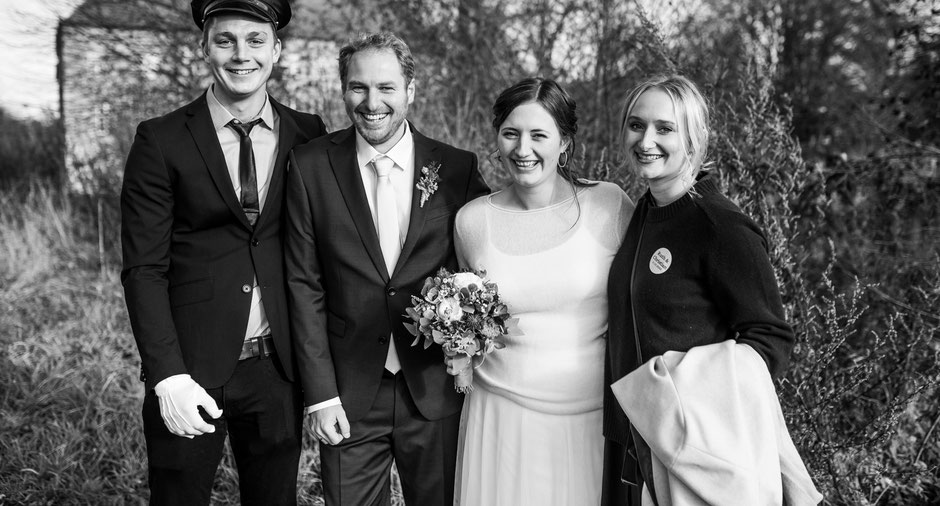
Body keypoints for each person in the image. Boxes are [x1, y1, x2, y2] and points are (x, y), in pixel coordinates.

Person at [120, 0, 327, 506]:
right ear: (203, 47)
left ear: (277, 49)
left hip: (277, 372)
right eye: (226, 39)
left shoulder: (309, 134)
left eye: (256, 40)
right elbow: (144, 268)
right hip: (191, 369)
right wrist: (166, 376)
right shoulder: (160, 139)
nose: (242, 55)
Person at [284, 31, 489, 506]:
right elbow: (303, 284)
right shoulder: (311, 166)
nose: (371, 102)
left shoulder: (456, 168)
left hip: (434, 388)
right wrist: (320, 394)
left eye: (386, 88)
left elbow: (483, 263)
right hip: (348, 394)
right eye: (358, 87)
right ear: (343, 89)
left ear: (410, 91)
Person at [602, 74, 795, 505]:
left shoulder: (719, 226)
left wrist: (680, 394)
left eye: (664, 128)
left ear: (694, 137)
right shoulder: (644, 213)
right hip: (634, 446)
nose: (646, 139)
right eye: (636, 125)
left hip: (692, 453)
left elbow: (770, 339)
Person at [452, 77, 635, 505]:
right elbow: (470, 320)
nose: (522, 149)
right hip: (498, 417)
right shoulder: (472, 221)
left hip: (589, 418)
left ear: (564, 142)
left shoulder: (609, 205)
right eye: (510, 133)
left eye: (539, 135)